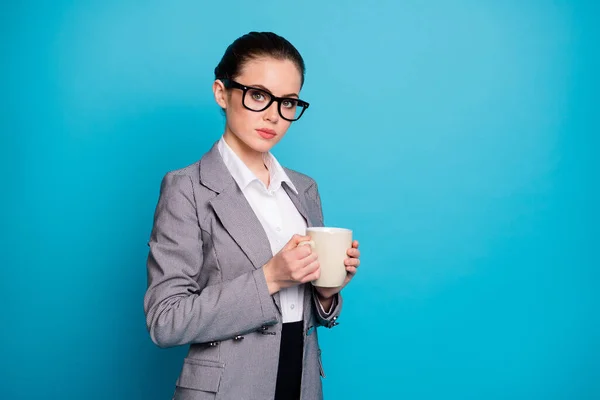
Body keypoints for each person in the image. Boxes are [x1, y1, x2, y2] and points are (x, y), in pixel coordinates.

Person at [144, 31, 361, 400]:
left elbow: (305, 312)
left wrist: (326, 293)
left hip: (302, 382)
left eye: (288, 103)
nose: (274, 116)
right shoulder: (187, 188)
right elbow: (165, 320)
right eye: (258, 95)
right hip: (228, 389)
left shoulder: (303, 188)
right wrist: (270, 278)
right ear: (221, 93)